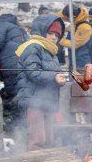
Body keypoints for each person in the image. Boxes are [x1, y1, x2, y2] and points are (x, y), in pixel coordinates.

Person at [15, 21, 66, 150]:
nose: (54, 37)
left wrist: (60, 79)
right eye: (51, 33)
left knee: (49, 140)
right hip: (34, 100)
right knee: (38, 141)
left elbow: (54, 75)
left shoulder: (50, 51)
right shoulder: (33, 47)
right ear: (42, 32)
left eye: (57, 35)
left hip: (47, 101)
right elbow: (32, 72)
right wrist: (53, 77)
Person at [0, 7, 28, 128]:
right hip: (22, 64)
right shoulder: (16, 27)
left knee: (14, 95)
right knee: (20, 94)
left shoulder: (0, 25)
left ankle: (18, 126)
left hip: (11, 66)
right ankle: (22, 124)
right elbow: (7, 46)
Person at [59, 4, 92, 74]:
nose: (66, 20)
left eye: (67, 18)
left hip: (82, 64)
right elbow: (67, 29)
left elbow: (74, 44)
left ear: (73, 17)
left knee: (81, 84)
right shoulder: (76, 23)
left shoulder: (84, 27)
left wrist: (59, 39)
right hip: (74, 62)